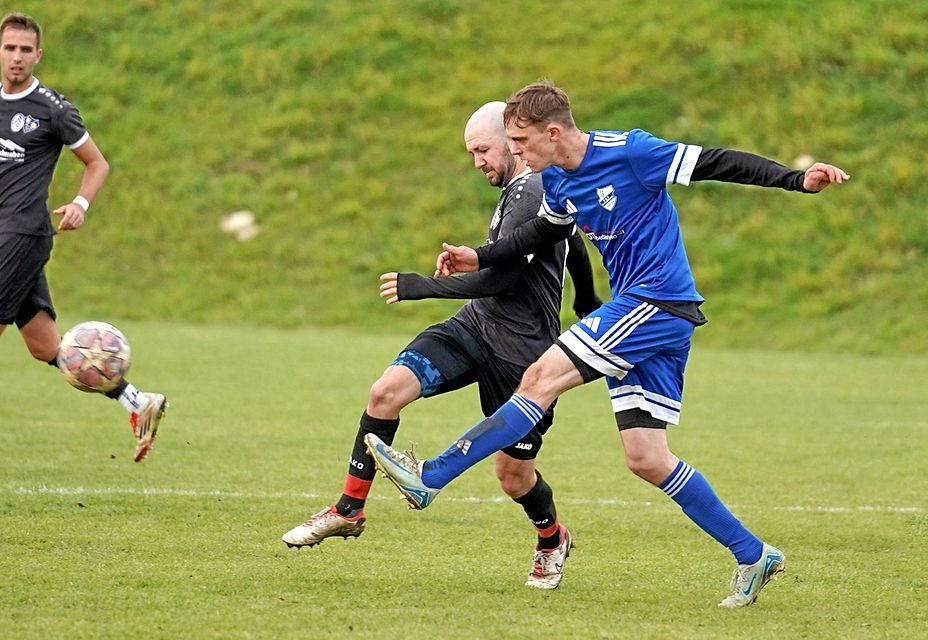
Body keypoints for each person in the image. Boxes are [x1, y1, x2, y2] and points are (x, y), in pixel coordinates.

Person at [367, 81, 850, 607]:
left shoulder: (633, 152)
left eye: (521, 141)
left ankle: (431, 476)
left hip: (657, 302)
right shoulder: (555, 181)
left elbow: (717, 162)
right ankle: (754, 555)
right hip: (645, 311)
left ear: (553, 133)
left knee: (539, 379)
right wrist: (478, 257)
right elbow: (543, 235)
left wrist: (796, 179)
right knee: (646, 457)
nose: (517, 153)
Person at [282, 101, 602, 590]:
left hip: (521, 356)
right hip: (472, 330)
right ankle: (348, 509)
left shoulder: (533, 187)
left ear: (509, 141)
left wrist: (422, 286)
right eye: (471, 152)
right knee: (385, 392)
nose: (477, 161)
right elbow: (570, 238)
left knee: (514, 478)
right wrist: (585, 296)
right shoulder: (522, 188)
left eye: (482, 150)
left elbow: (501, 278)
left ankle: (551, 538)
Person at [0, 13, 167, 462]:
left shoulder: (52, 107)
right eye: (10, 48)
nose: (17, 57)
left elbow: (97, 163)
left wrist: (80, 203)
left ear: (37, 55)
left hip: (23, 234)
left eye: (26, 50)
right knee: (45, 348)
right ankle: (138, 401)